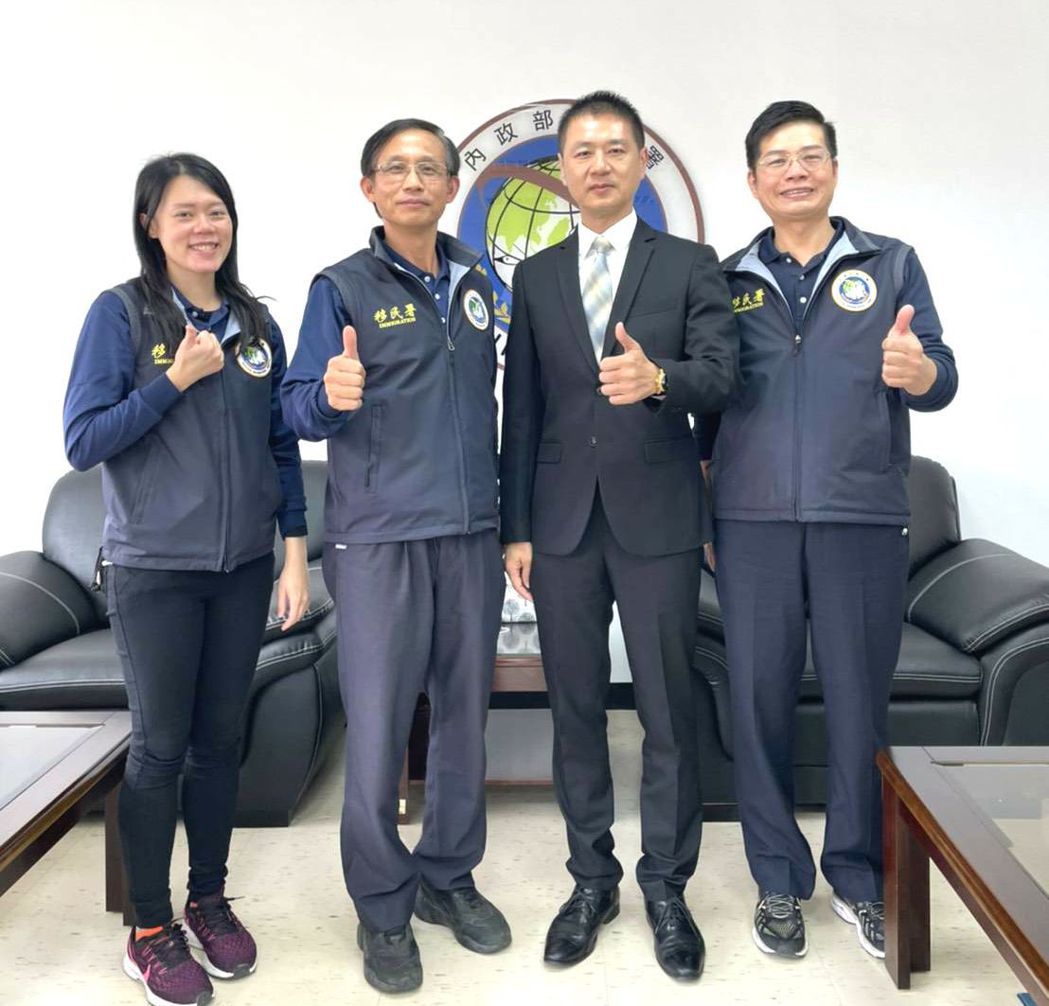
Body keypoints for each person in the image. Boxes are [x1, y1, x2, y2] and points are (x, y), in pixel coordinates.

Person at [697, 100, 958, 962]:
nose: (795, 171)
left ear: (834, 170)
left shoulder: (891, 263)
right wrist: (707, 508)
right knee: (758, 702)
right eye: (777, 159)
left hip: (860, 517)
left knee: (857, 707)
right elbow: (705, 408)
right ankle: (776, 877)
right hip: (752, 523)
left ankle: (857, 876)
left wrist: (919, 372)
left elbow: (941, 373)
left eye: (809, 155)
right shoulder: (726, 278)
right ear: (752, 181)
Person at [500, 91, 738, 981]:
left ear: (641, 162)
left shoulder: (689, 264)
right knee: (575, 707)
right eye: (582, 151)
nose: (597, 164)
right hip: (560, 524)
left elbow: (721, 377)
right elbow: (520, 408)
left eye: (613, 149)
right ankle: (590, 881)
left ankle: (666, 887)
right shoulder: (536, 276)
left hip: (659, 518)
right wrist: (515, 527)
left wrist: (659, 380)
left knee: (667, 708)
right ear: (561, 169)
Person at [63, 153, 309, 1006]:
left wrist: (292, 553)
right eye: (184, 213)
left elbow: (280, 447)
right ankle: (147, 929)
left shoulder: (254, 323)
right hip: (153, 572)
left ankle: (208, 898)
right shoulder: (121, 314)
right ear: (151, 225)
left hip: (242, 569)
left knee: (219, 745)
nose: (205, 228)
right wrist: (175, 379)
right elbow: (84, 439)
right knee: (160, 749)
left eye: (216, 211)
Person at [281, 118, 509, 995]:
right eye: (394, 168)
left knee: (462, 720)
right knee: (377, 732)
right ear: (369, 189)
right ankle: (382, 907)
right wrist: (328, 396)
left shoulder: (478, 280)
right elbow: (295, 405)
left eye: (428, 168)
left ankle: (447, 877)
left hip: (469, 533)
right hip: (377, 536)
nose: (412, 180)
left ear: (452, 186)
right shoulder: (339, 286)